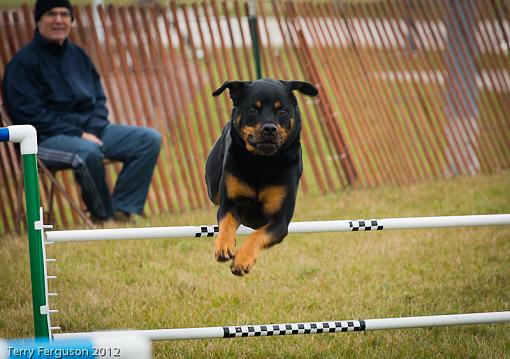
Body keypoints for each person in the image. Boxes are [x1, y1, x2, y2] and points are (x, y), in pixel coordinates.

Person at [2, 0, 162, 224]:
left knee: (148, 140)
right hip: (45, 140)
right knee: (87, 152)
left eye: (64, 14)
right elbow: (31, 116)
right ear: (38, 20)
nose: (59, 20)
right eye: (51, 14)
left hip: (92, 132)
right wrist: (78, 134)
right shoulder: (23, 64)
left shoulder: (78, 56)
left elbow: (99, 99)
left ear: (71, 20)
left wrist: (93, 129)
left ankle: (122, 211)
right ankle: (103, 218)